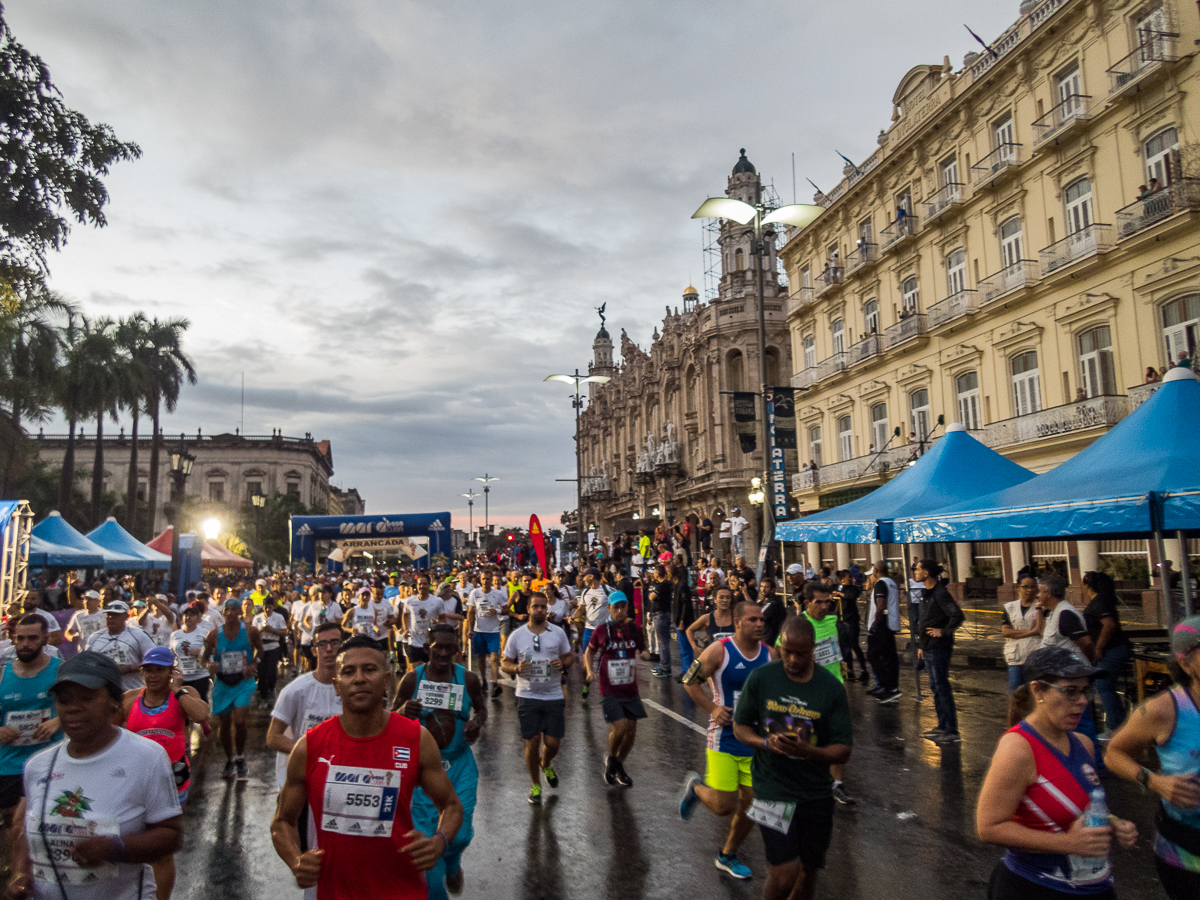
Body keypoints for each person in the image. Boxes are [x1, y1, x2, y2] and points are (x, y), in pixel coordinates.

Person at [271, 635, 464, 900]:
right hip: (334, 892)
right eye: (348, 672)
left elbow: (451, 805)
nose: (359, 678)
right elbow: (282, 821)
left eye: (369, 669)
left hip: (403, 891)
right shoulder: (309, 746)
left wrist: (439, 842)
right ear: (337, 686)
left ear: (386, 681)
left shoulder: (415, 738)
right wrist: (295, 861)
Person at [8, 652, 183, 900]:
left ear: (114, 701)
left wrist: (116, 848)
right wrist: (21, 875)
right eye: (64, 700)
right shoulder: (38, 765)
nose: (73, 708)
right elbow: (27, 829)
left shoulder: (147, 757)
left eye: (87, 698)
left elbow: (171, 835)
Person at [975, 647, 1138, 900]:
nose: (1083, 700)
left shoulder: (1082, 742)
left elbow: (1079, 803)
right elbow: (989, 827)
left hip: (1095, 888)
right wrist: (1069, 844)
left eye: (1085, 690)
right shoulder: (1018, 748)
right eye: (1070, 691)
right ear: (1037, 690)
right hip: (1035, 888)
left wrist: (1113, 822)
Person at [732, 616, 853, 900]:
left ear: (813, 649)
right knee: (785, 872)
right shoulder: (762, 678)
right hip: (772, 789)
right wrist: (765, 741)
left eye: (801, 653)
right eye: (787, 652)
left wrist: (809, 752)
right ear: (780, 646)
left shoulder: (830, 688)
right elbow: (740, 726)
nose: (793, 659)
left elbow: (843, 749)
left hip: (815, 794)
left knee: (808, 872)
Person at [1105, 616, 1200, 900]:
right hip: (1187, 855)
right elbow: (1113, 752)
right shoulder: (1165, 710)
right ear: (1186, 664)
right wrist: (1154, 781)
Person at [679, 600, 771, 881]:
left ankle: (727, 854)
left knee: (754, 804)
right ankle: (695, 788)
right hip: (724, 738)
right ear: (738, 621)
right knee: (724, 806)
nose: (759, 624)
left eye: (761, 620)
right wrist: (713, 709)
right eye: (753, 619)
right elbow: (689, 681)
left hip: (754, 740)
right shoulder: (719, 651)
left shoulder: (769, 655)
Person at [395, 624, 486, 897]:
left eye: (450, 648)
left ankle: (453, 862)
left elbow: (481, 709)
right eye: (438, 648)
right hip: (421, 772)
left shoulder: (468, 679)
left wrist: (476, 723)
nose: (444, 653)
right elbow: (389, 717)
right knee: (425, 842)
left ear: (457, 650)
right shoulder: (412, 680)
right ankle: (435, 887)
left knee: (459, 834)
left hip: (459, 767)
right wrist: (402, 710)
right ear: (427, 649)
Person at [122, 646, 209, 900]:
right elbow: (107, 730)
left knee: (161, 851)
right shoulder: (130, 700)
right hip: (136, 780)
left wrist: (177, 690)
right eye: (148, 670)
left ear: (171, 671)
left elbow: (202, 713)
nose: (152, 675)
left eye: (159, 670)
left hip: (173, 779)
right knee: (133, 843)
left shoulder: (183, 695)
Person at [499, 596, 573, 804]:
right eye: (535, 607)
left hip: (553, 695)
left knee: (552, 743)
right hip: (527, 696)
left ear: (546, 609)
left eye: (543, 607)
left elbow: (570, 657)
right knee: (532, 742)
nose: (539, 610)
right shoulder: (517, 635)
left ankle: (546, 763)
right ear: (529, 609)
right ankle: (535, 784)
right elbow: (505, 663)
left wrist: (563, 664)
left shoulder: (558, 633)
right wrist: (515, 669)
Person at [0, 616, 62, 840]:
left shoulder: (60, 670)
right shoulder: (3, 673)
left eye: (32, 638)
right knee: (10, 822)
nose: (25, 644)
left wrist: (59, 721)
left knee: (37, 821)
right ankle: (11, 871)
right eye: (21, 638)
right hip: (9, 763)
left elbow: (80, 706)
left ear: (45, 639)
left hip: (48, 761)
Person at [584, 591, 650, 787]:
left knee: (631, 733)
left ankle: (618, 765)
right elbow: (589, 651)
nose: (621, 611)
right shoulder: (602, 631)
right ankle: (612, 758)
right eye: (616, 607)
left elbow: (642, 648)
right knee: (620, 728)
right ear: (609, 609)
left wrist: (645, 653)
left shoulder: (634, 629)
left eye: (624, 606)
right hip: (609, 688)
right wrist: (589, 670)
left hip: (630, 688)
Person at [202, 597, 264, 781]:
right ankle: (230, 759)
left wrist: (254, 663)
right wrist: (208, 665)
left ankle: (241, 756)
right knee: (224, 724)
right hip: (222, 682)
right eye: (226, 610)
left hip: (243, 681)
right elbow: (204, 657)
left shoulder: (251, 631)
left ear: (240, 612)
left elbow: (260, 650)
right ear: (223, 613)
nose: (230, 613)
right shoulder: (214, 634)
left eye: (233, 609)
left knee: (239, 721)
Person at [916, 559, 965, 744]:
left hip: (939, 648)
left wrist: (942, 632)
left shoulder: (940, 593)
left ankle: (952, 730)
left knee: (942, 687)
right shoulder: (926, 593)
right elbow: (925, 620)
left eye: (918, 569)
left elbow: (957, 615)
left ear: (926, 573)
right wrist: (922, 644)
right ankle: (942, 725)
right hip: (928, 647)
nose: (915, 572)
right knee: (935, 688)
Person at [1080, 571, 1132, 736]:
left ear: (1087, 585)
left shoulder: (1099, 602)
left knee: (1104, 685)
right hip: (1113, 648)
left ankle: (1115, 726)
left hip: (1112, 649)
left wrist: (1099, 647)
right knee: (1105, 686)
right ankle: (1119, 723)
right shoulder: (1100, 600)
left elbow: (1109, 625)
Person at [84, 599, 157, 691]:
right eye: (109, 615)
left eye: (116, 615)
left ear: (126, 616)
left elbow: (154, 660)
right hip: (103, 693)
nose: (111, 618)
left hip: (131, 691)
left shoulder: (139, 635)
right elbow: (86, 663)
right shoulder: (94, 638)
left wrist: (129, 668)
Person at [466, 570, 508, 699]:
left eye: (488, 579)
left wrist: (497, 611)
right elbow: (471, 612)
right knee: (481, 658)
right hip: (479, 631)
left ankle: (495, 683)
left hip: (494, 631)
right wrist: (469, 629)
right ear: (480, 580)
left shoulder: (498, 594)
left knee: (494, 657)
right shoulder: (475, 593)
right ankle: (484, 680)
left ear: (491, 581)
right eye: (484, 579)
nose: (486, 581)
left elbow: (506, 609)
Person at [865, 562, 902, 703]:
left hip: (882, 625)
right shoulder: (892, 583)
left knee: (873, 655)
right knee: (889, 657)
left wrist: (875, 625)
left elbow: (881, 606)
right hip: (890, 624)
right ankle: (890, 689)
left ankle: (887, 686)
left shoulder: (880, 584)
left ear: (875, 570)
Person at [574, 567, 611, 699]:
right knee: (586, 664)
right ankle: (586, 684)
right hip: (589, 631)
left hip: (605, 630)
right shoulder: (585, 592)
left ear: (591, 577)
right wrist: (573, 617)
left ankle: (607, 690)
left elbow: (618, 603)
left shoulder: (608, 590)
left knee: (607, 662)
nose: (582, 578)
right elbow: (581, 608)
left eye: (584, 576)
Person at [1002, 575, 1042, 691]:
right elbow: (1006, 632)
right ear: (1018, 588)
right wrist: (1031, 632)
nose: (1029, 590)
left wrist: (1016, 632)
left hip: (1035, 657)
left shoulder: (1041, 607)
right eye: (1025, 587)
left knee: (1035, 693)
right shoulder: (1010, 607)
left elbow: (1040, 630)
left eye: (1033, 587)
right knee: (1016, 692)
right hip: (1015, 658)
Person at [170, 602, 213, 705]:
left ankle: (203, 721)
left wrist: (200, 653)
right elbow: (171, 654)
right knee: (182, 703)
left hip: (200, 675)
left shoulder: (205, 633)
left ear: (199, 618)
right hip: (182, 676)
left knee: (200, 702)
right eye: (186, 615)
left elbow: (212, 651)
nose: (188, 617)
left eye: (192, 615)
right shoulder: (175, 635)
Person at [401, 575, 444, 668]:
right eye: (420, 584)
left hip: (431, 642)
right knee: (417, 672)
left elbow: (443, 619)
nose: (422, 586)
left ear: (429, 585)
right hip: (414, 642)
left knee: (432, 671)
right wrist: (405, 629)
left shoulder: (437, 601)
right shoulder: (409, 601)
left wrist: (437, 624)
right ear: (417, 586)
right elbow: (405, 615)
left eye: (424, 584)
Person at [832, 570, 867, 682]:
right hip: (840, 620)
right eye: (848, 578)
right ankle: (849, 670)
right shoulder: (838, 587)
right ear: (842, 579)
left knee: (854, 645)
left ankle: (864, 670)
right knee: (844, 646)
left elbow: (850, 596)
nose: (851, 580)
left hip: (851, 620)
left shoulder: (853, 589)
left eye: (851, 578)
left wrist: (839, 594)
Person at [254, 595, 289, 706]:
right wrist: (261, 630)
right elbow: (253, 634)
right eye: (265, 607)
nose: (267, 609)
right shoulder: (257, 618)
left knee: (271, 672)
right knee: (261, 673)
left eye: (269, 607)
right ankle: (264, 696)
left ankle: (272, 691)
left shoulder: (278, 617)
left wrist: (272, 631)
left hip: (273, 646)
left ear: (273, 607)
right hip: (261, 647)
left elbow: (284, 632)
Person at [688, 586, 736, 657]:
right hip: (714, 659)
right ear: (715, 599)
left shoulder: (737, 617)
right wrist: (694, 647)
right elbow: (689, 630)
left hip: (733, 658)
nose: (725, 600)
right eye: (721, 597)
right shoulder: (707, 618)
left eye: (728, 597)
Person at [64, 591, 105, 655]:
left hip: (101, 651)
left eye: (90, 599)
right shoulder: (78, 615)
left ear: (97, 602)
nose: (87, 601)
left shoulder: (105, 614)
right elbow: (69, 631)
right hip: (84, 652)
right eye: (85, 599)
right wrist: (72, 637)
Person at [759, 578, 787, 648]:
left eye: (766, 587)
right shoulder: (762, 602)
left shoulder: (773, 603)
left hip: (770, 640)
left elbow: (759, 614)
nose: (763, 589)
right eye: (761, 586)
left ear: (773, 589)